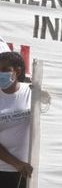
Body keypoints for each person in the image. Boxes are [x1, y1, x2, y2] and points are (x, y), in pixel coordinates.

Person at [0, 52, 32, 188]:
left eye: (4, 70)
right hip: (4, 172)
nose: (0, 74)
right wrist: (17, 164)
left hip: (31, 171)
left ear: (17, 71)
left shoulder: (32, 92)